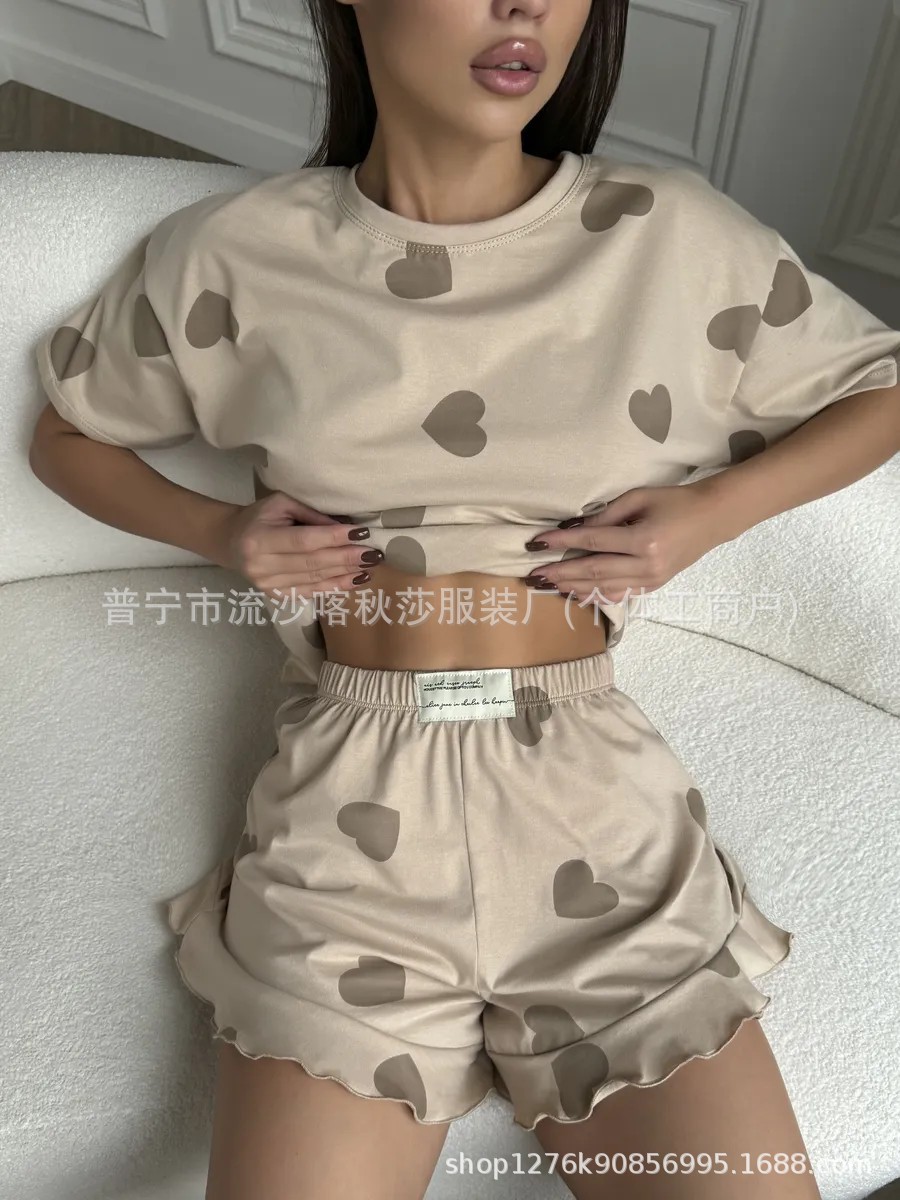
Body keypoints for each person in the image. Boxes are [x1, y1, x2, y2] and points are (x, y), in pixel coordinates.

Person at [28, 1, 900, 1197]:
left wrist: (708, 514)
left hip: (596, 811)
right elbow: (69, 432)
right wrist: (220, 532)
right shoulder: (234, 253)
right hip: (349, 821)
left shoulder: (670, 238)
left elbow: (878, 388)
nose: (524, 5)